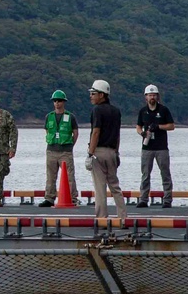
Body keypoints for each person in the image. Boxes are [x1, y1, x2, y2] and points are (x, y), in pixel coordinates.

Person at [87, 79, 125, 219]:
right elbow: (117, 134)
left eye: (93, 93)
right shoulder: (116, 111)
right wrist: (117, 152)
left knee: (100, 187)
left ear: (102, 95)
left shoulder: (97, 110)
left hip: (99, 152)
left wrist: (90, 153)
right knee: (115, 186)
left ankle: (101, 218)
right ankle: (122, 217)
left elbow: (95, 132)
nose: (91, 96)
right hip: (112, 152)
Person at [136, 84, 174, 207]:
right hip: (147, 147)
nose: (152, 97)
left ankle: (167, 199)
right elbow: (138, 126)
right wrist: (141, 133)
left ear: (157, 97)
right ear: (145, 97)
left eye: (154, 95)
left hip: (161, 147)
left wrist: (158, 127)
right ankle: (143, 199)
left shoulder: (163, 110)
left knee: (165, 173)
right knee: (145, 174)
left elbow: (171, 126)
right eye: (149, 95)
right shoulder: (142, 111)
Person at [39, 90, 78, 207]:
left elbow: (75, 133)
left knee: (69, 176)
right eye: (55, 101)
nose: (57, 103)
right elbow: (47, 131)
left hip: (65, 151)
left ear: (64, 102)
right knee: (50, 176)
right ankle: (49, 198)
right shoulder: (49, 117)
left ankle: (72, 198)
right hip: (51, 150)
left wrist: (70, 145)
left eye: (59, 101)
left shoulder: (70, 116)